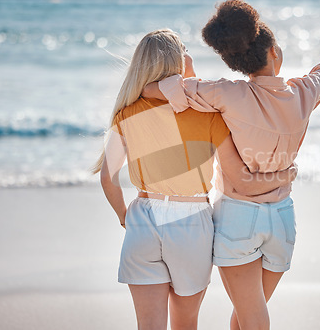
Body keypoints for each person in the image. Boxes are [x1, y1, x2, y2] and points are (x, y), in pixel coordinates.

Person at [142, 0, 320, 330]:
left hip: (239, 218)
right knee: (245, 320)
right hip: (283, 219)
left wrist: (157, 83)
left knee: (251, 319)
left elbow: (160, 90)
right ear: (273, 51)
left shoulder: (226, 93)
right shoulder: (304, 91)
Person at [92, 29, 296, 330]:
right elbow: (241, 180)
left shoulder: (126, 113)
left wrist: (126, 218)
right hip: (190, 223)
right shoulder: (207, 115)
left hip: (143, 218)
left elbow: (108, 179)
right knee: (185, 322)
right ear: (177, 62)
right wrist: (285, 174)